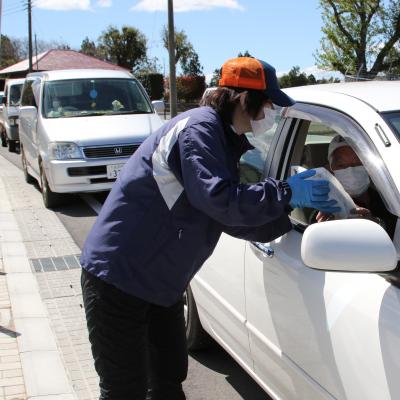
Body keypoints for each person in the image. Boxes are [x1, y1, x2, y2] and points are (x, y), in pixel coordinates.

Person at [79, 57, 339, 400]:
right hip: (119, 277)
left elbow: (228, 217)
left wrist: (287, 214)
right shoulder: (198, 131)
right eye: (268, 105)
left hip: (160, 284)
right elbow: (220, 200)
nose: (271, 114)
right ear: (244, 99)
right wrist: (287, 190)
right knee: (124, 389)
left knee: (168, 378)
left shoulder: (224, 139)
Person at [314, 135, 397, 237]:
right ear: (331, 169)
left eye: (357, 162)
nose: (350, 170)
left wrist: (377, 224)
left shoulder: (389, 201)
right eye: (341, 165)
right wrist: (323, 230)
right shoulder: (327, 207)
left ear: (368, 166)